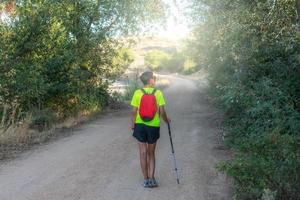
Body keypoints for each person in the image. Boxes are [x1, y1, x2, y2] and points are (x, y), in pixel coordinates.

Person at [130, 71, 171, 188]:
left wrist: (133, 124)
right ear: (150, 80)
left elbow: (134, 111)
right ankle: (152, 179)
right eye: (154, 78)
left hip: (140, 126)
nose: (155, 80)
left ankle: (145, 180)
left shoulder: (137, 93)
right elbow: (162, 112)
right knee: (151, 153)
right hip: (153, 126)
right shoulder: (158, 93)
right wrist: (166, 120)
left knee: (142, 153)